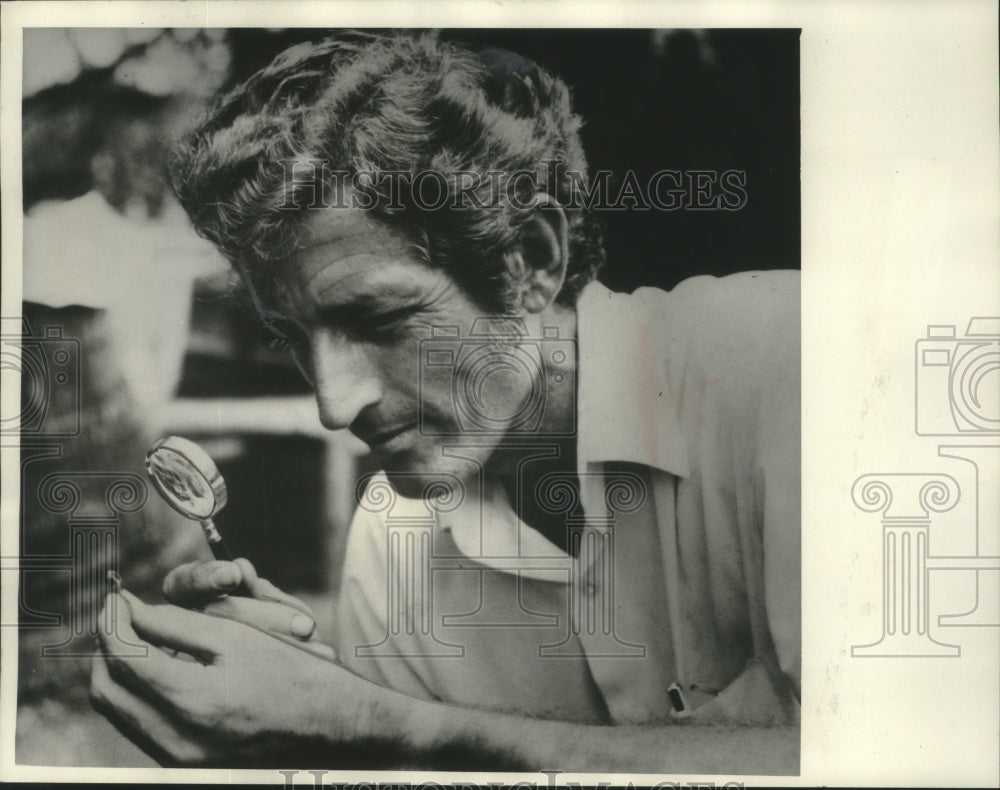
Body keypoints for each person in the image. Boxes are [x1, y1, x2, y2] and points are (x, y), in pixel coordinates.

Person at [90, 31, 800, 773]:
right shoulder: (391, 542)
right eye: (292, 338)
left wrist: (373, 720)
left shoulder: (785, 366)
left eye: (380, 321)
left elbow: (858, 764)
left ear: (532, 262)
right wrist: (306, 724)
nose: (334, 404)